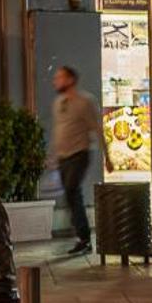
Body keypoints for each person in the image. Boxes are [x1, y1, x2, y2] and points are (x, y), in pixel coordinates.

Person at [49, 65, 100, 255]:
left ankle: (84, 238)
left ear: (70, 80)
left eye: (60, 77)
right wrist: (53, 155)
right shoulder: (58, 103)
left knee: (72, 189)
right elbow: (58, 130)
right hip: (63, 156)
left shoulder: (85, 101)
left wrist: (108, 157)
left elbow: (96, 127)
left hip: (79, 153)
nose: (56, 81)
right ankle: (82, 237)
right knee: (71, 195)